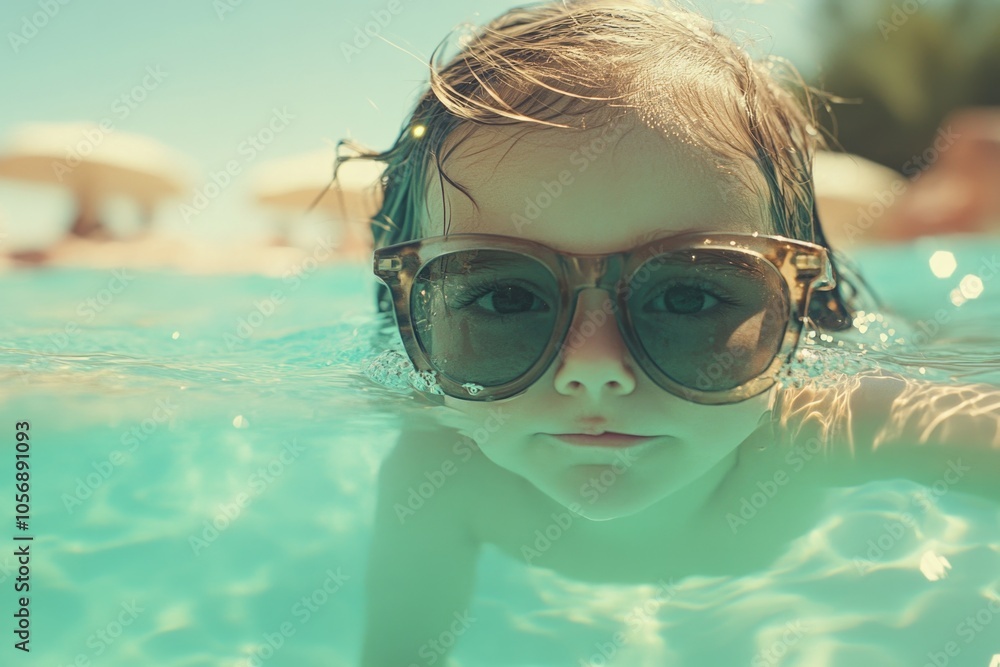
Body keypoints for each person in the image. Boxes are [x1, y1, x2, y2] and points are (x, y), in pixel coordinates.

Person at [354, 2, 1000, 665]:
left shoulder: (821, 426)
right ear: (414, 311)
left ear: (800, 306)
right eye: (506, 295)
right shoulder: (440, 471)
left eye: (689, 295)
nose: (595, 367)